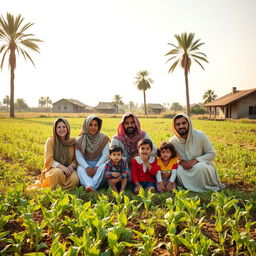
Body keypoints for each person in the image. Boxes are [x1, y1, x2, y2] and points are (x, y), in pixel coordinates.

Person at [169, 113, 225, 192]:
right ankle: (188, 188)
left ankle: (205, 188)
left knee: (200, 167)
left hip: (202, 164)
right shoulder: (172, 141)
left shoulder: (200, 135)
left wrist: (195, 161)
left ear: (189, 123)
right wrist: (180, 162)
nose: (181, 126)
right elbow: (168, 158)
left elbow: (212, 154)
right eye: (178, 124)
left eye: (184, 123)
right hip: (184, 167)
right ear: (174, 127)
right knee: (178, 170)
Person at [110, 113, 157, 178]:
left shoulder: (143, 135)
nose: (130, 125)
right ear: (123, 125)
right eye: (126, 123)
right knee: (128, 177)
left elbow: (154, 151)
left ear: (136, 124)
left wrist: (138, 156)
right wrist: (128, 160)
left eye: (132, 122)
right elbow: (111, 156)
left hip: (141, 164)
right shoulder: (117, 139)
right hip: (123, 166)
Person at [40, 118, 79, 190]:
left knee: (75, 179)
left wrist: (72, 166)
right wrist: (62, 167)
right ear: (55, 129)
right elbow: (49, 160)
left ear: (68, 128)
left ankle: (64, 191)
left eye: (64, 127)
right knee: (58, 173)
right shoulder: (51, 141)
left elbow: (76, 159)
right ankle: (53, 190)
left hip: (68, 170)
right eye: (59, 127)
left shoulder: (72, 141)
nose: (62, 129)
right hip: (54, 169)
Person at [76, 115, 110, 192]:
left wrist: (97, 167)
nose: (93, 128)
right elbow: (79, 157)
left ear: (99, 126)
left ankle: (90, 186)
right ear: (86, 125)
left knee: (105, 166)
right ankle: (91, 186)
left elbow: (105, 155)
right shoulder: (79, 139)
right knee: (79, 168)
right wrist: (87, 167)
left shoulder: (103, 138)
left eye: (95, 125)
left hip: (99, 165)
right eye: (90, 125)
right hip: (85, 166)